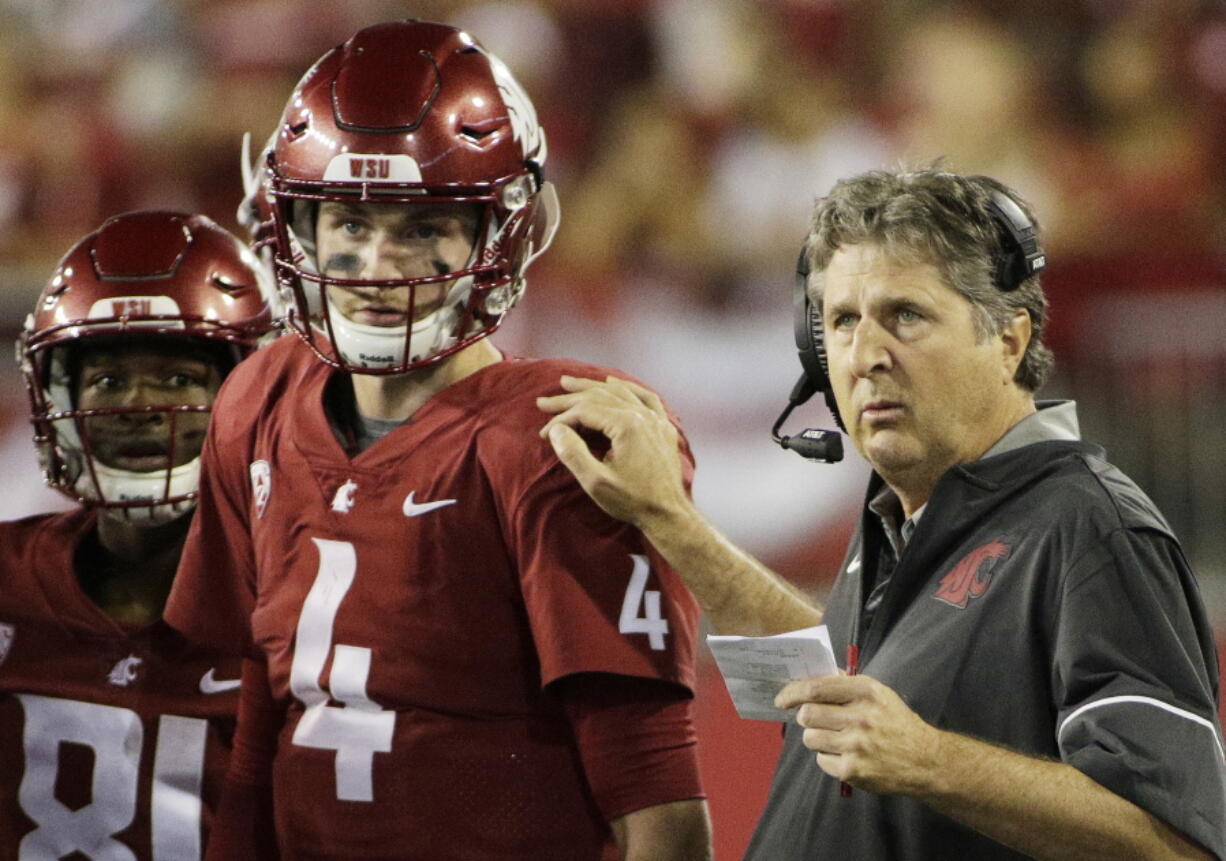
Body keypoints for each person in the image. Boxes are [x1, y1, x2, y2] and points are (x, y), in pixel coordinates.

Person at [538, 168, 1226, 860]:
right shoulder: (910, 518)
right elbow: (828, 679)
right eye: (841, 321)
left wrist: (930, 760)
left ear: (1010, 341)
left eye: (906, 315)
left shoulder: (1088, 528)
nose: (865, 356)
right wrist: (667, 516)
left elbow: (1179, 843)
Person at [163, 20, 711, 860]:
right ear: (293, 228)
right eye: (347, 223)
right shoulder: (258, 397)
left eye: (421, 226)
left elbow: (657, 799)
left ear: (502, 233)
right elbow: (250, 730)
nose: (378, 264)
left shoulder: (562, 435)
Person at [0, 210, 275, 857]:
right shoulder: (7, 576)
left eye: (179, 378)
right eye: (108, 379)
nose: (141, 405)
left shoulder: (296, 595)